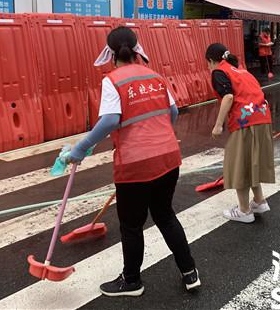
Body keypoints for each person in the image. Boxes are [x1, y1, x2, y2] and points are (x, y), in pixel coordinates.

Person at [65, 27, 199, 296]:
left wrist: (80, 148)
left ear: (111, 53)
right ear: (136, 49)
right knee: (165, 215)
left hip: (135, 164)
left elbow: (110, 120)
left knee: (132, 225)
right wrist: (159, 135)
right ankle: (190, 272)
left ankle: (132, 281)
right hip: (168, 157)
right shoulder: (155, 76)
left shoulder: (112, 80)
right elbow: (173, 111)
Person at [206, 43, 275, 223]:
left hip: (245, 122)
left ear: (211, 61)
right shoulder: (242, 71)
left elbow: (228, 96)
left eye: (207, 63)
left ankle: (244, 210)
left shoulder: (219, 72)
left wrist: (218, 125)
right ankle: (259, 201)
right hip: (262, 118)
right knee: (251, 162)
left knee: (240, 165)